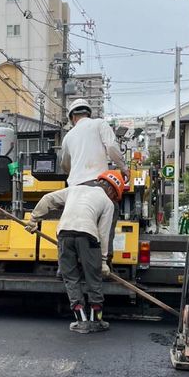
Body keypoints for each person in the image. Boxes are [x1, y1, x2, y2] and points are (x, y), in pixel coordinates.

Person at [26, 170, 125, 334]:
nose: (114, 199)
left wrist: (33, 220)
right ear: (112, 190)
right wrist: (102, 261)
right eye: (115, 195)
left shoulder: (75, 189)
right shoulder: (107, 202)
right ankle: (96, 320)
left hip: (64, 234)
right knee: (93, 278)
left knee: (71, 278)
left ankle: (82, 322)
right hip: (89, 237)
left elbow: (47, 199)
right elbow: (104, 233)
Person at [60, 98, 128, 258]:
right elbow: (111, 147)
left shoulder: (68, 137)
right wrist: (123, 168)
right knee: (109, 213)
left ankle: (64, 267)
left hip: (75, 189)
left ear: (72, 118)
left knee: (71, 224)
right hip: (98, 187)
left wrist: (76, 171)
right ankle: (105, 261)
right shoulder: (99, 124)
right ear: (88, 113)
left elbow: (65, 165)